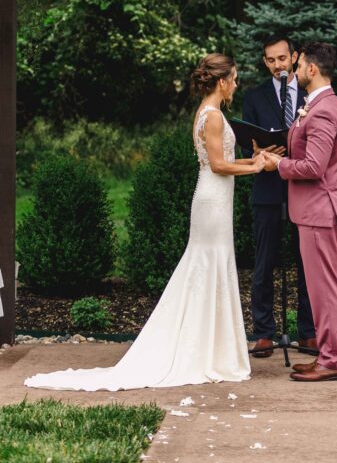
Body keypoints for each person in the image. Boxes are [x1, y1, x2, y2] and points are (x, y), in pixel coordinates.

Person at [25, 54, 269, 391]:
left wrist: (252, 159)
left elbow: (226, 160)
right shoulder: (212, 115)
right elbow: (217, 165)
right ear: (222, 81)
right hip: (212, 200)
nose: (236, 84)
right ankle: (204, 351)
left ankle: (212, 349)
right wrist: (255, 168)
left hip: (216, 199)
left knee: (212, 265)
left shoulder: (209, 112)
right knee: (208, 264)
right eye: (235, 78)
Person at [263, 42, 337, 381]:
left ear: (311, 69)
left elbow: (315, 166)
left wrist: (279, 164)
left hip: (320, 211)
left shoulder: (325, 109)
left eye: (298, 66)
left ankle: (333, 361)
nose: (295, 72)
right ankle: (328, 356)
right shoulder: (317, 105)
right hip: (314, 212)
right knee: (320, 289)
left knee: (325, 289)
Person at [242, 35, 316, 357]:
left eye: (283, 59)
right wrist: (259, 150)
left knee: (306, 262)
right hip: (267, 188)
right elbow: (246, 141)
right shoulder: (254, 96)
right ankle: (263, 333)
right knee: (264, 262)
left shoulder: (309, 94)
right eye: (271, 60)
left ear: (294, 57)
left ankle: (309, 331)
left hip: (303, 187)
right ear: (264, 62)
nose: (277, 66)